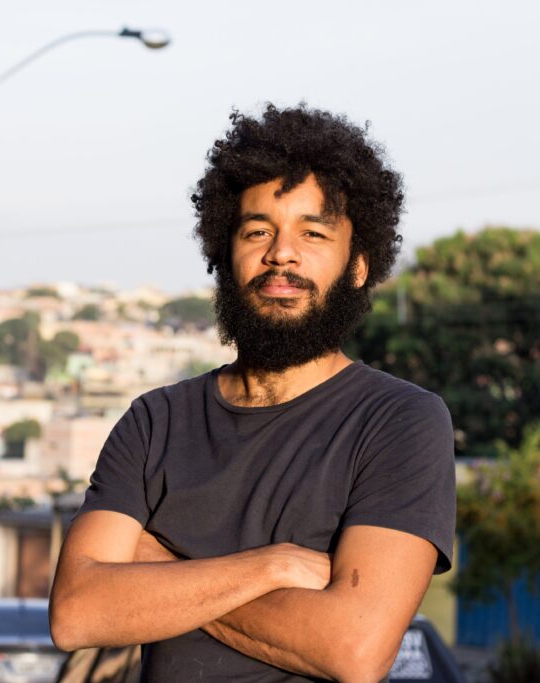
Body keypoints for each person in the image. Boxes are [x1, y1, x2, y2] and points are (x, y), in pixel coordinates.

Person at [49, 104, 456, 682]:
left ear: (360, 266)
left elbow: (354, 649)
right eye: (258, 230)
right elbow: (76, 613)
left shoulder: (399, 421)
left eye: (312, 233)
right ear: (225, 252)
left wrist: (158, 564)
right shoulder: (154, 421)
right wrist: (271, 566)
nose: (280, 254)